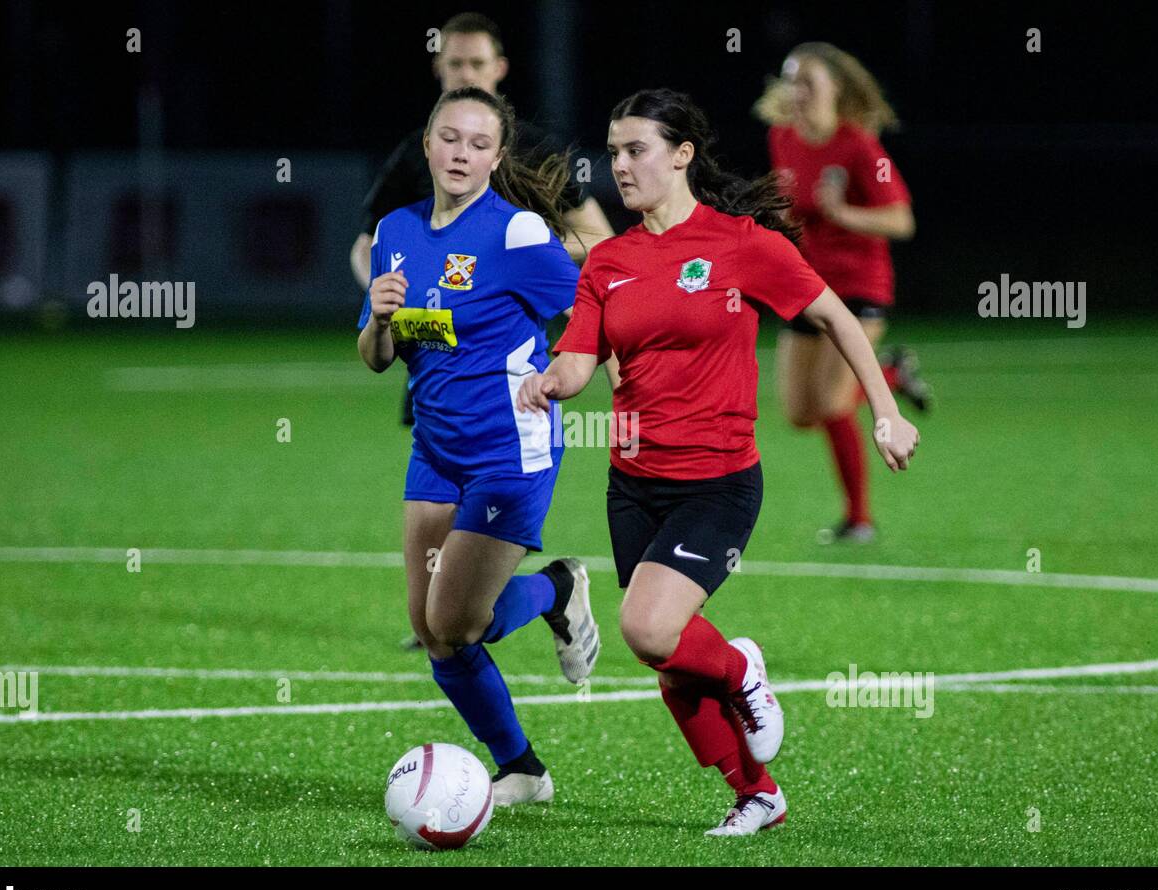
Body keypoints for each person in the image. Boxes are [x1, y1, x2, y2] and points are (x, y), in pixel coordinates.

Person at [517, 89, 919, 836]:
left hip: (718, 480)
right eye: (613, 152)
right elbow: (578, 364)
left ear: (682, 154)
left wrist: (886, 412)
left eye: (636, 149)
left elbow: (834, 314)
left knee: (646, 627)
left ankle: (741, 669)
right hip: (634, 484)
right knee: (669, 663)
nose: (621, 166)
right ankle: (757, 794)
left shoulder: (741, 244)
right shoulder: (608, 261)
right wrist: (548, 381)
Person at [358, 86, 600, 806]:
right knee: (435, 632)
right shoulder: (396, 232)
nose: (461, 153)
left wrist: (569, 371)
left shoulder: (517, 233)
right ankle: (522, 768)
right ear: (427, 146)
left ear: (496, 158)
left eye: (477, 144)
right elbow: (377, 357)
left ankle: (556, 587)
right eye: (449, 139)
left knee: (457, 620)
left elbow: (591, 306)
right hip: (434, 450)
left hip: (508, 453)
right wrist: (378, 320)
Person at [351, 11, 616, 650]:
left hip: (504, 365)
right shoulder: (418, 159)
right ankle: (451, 612)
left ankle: (495, 604)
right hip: (432, 355)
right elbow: (368, 246)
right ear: (438, 69)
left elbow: (601, 244)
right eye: (454, 64)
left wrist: (516, 255)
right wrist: (380, 297)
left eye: (477, 64)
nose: (465, 72)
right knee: (439, 606)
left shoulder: (539, 155)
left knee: (456, 611)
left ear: (499, 70)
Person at [754, 42, 932, 543]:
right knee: (798, 412)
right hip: (805, 286)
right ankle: (891, 373)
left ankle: (860, 519)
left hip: (858, 287)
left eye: (809, 81)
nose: (798, 91)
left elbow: (901, 219)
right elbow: (788, 204)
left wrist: (842, 213)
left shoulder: (860, 147)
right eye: (791, 80)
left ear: (835, 88)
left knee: (833, 404)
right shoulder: (782, 138)